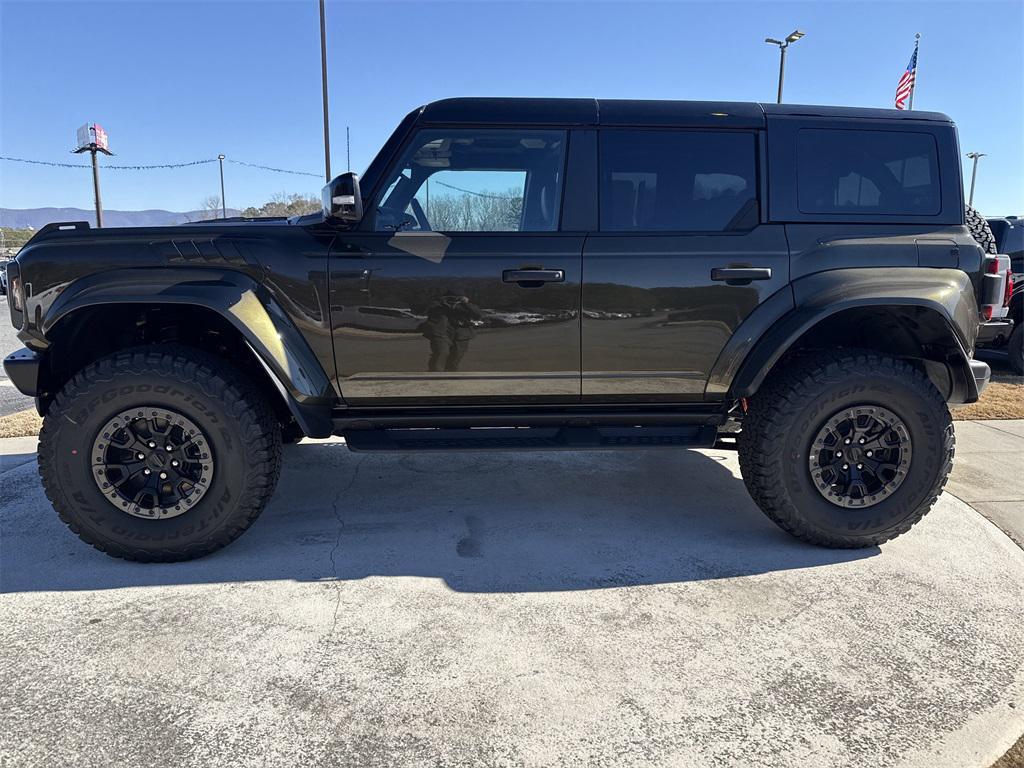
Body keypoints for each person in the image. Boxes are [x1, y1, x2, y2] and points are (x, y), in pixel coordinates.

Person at [420, 288, 483, 372]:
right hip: (441, 332)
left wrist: (466, 304)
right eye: (450, 298)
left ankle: (450, 376)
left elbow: (478, 315)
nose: (453, 300)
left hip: (461, 334)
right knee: (441, 352)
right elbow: (422, 310)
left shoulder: (466, 306)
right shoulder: (437, 305)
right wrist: (441, 302)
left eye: (457, 298)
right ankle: (435, 375)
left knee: (456, 357)